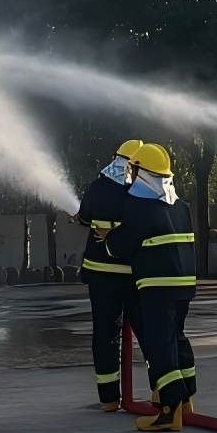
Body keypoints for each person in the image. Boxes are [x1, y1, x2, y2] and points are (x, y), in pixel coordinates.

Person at [101, 142, 197, 432]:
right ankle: (186, 400)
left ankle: (169, 411)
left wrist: (107, 237)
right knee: (177, 338)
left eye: (133, 170)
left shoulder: (140, 206)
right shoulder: (181, 206)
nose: (130, 176)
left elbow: (122, 246)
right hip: (184, 285)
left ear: (142, 173)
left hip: (157, 287)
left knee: (159, 344)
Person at [76, 139, 144, 411]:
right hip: (133, 274)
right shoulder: (139, 191)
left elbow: (83, 217)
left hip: (99, 274)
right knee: (148, 331)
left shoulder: (98, 187)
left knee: (105, 334)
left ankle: (108, 398)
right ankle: (164, 393)